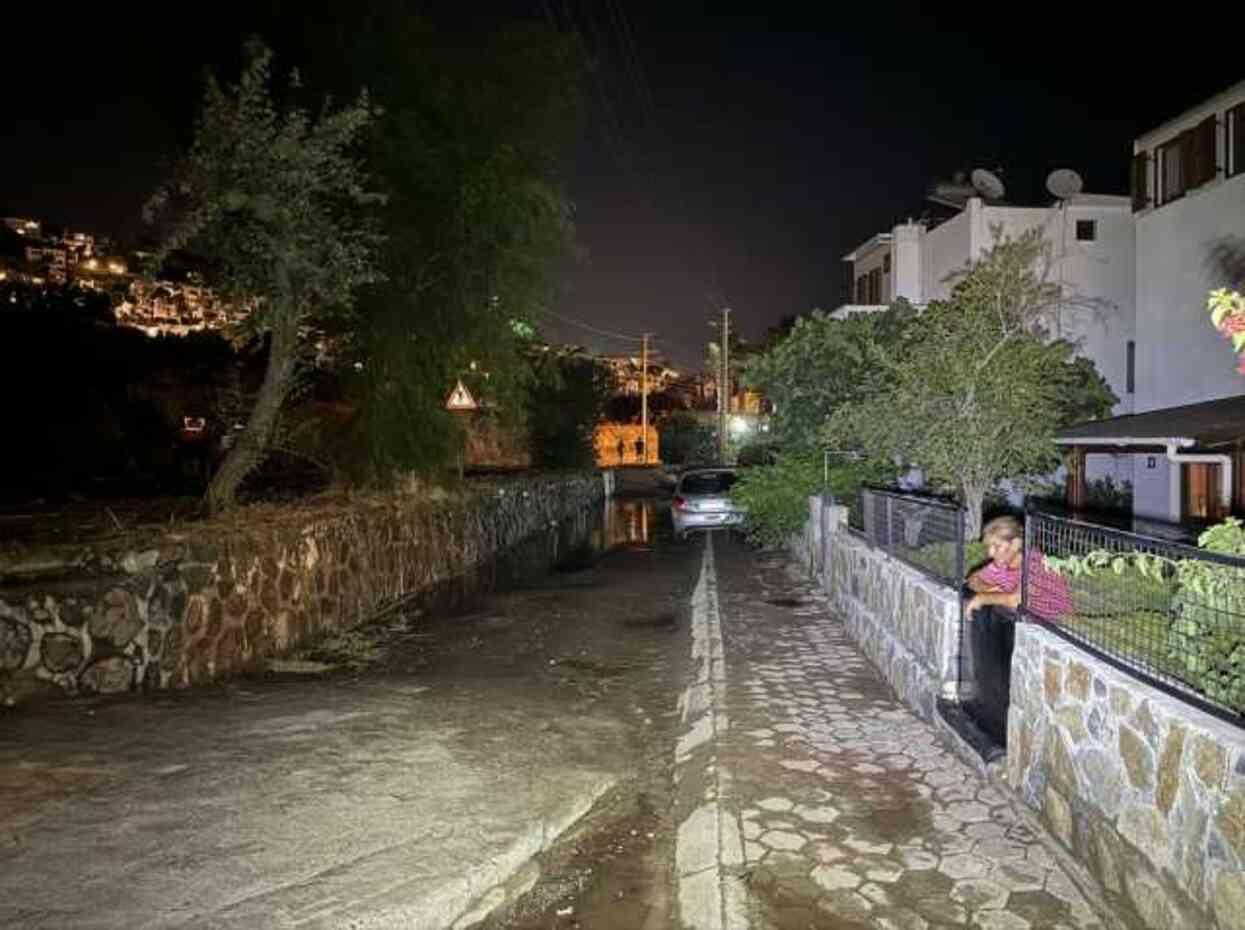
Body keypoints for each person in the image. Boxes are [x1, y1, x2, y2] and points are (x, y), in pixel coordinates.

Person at [965, 515, 1070, 622]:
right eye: (988, 547)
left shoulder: (1036, 563)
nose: (990, 553)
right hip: (1022, 620)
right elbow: (973, 579)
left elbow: (1017, 601)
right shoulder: (1001, 564)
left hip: (1052, 625)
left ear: (1015, 544)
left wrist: (983, 597)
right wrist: (990, 589)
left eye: (997, 546)